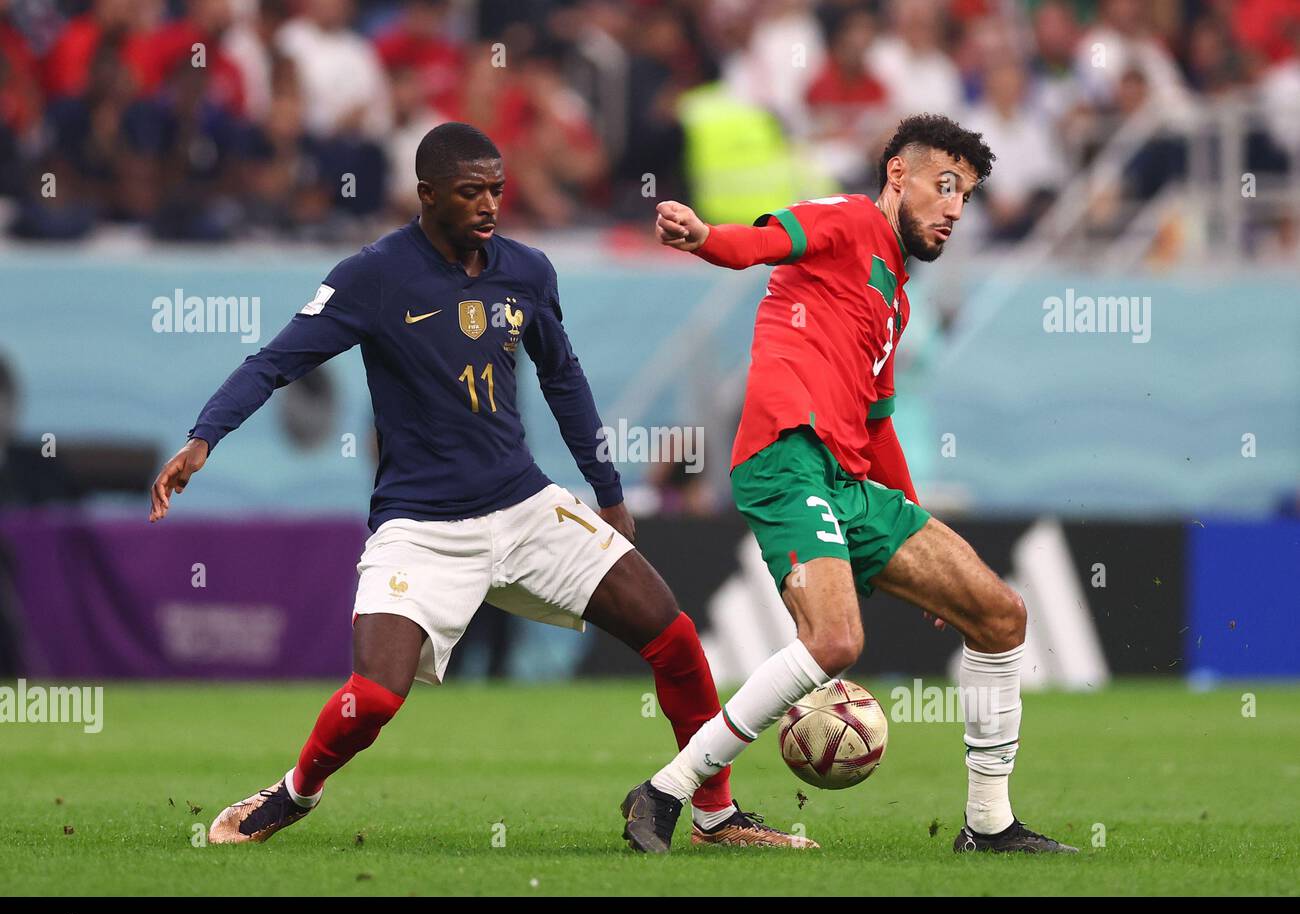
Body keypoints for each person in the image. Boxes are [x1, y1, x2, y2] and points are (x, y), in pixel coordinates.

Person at [148, 122, 808, 850]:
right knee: (372, 698)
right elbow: (274, 361)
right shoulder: (373, 277)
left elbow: (563, 377)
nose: (489, 205)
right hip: (421, 529)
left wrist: (608, 492)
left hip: (525, 507)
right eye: (470, 192)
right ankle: (295, 792)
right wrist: (205, 436)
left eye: (497, 188)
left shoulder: (526, 272)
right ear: (427, 196)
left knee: (675, 639)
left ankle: (714, 814)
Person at [623, 114, 1077, 855]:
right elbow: (761, 243)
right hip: (784, 456)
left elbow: (877, 428)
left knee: (1000, 616)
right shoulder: (846, 218)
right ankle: (666, 791)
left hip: (847, 476)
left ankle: (989, 827)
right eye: (946, 186)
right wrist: (704, 236)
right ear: (898, 175)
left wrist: (921, 547)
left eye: (967, 196)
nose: (957, 209)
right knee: (834, 639)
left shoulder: (895, 300)